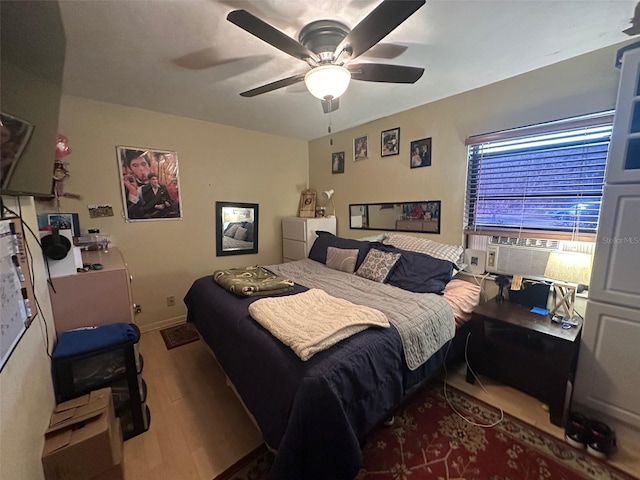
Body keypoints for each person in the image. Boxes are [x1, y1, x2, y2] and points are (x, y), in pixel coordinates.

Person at [121, 149, 151, 219]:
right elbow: (130, 215)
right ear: (131, 169)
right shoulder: (128, 188)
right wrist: (133, 192)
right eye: (135, 165)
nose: (141, 169)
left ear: (149, 165)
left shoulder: (161, 186)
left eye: (143, 164)